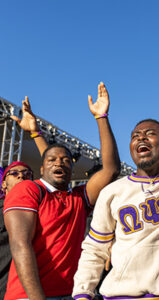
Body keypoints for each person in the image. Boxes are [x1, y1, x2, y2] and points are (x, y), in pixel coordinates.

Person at [72, 19, 159, 300]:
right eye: (136, 136)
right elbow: (95, 250)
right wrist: (82, 294)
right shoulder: (113, 192)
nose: (141, 139)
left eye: (150, 134)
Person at [3, 82, 120, 299]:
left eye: (66, 160)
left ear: (72, 168)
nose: (59, 163)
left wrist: (101, 118)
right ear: (41, 167)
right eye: (52, 160)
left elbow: (112, 170)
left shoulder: (79, 198)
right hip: (28, 295)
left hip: (71, 293)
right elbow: (20, 245)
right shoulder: (28, 189)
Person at [0, 162, 33, 300]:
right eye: (14, 173)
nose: (21, 176)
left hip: (25, 290)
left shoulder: (40, 211)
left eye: (27, 174)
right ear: (3, 184)